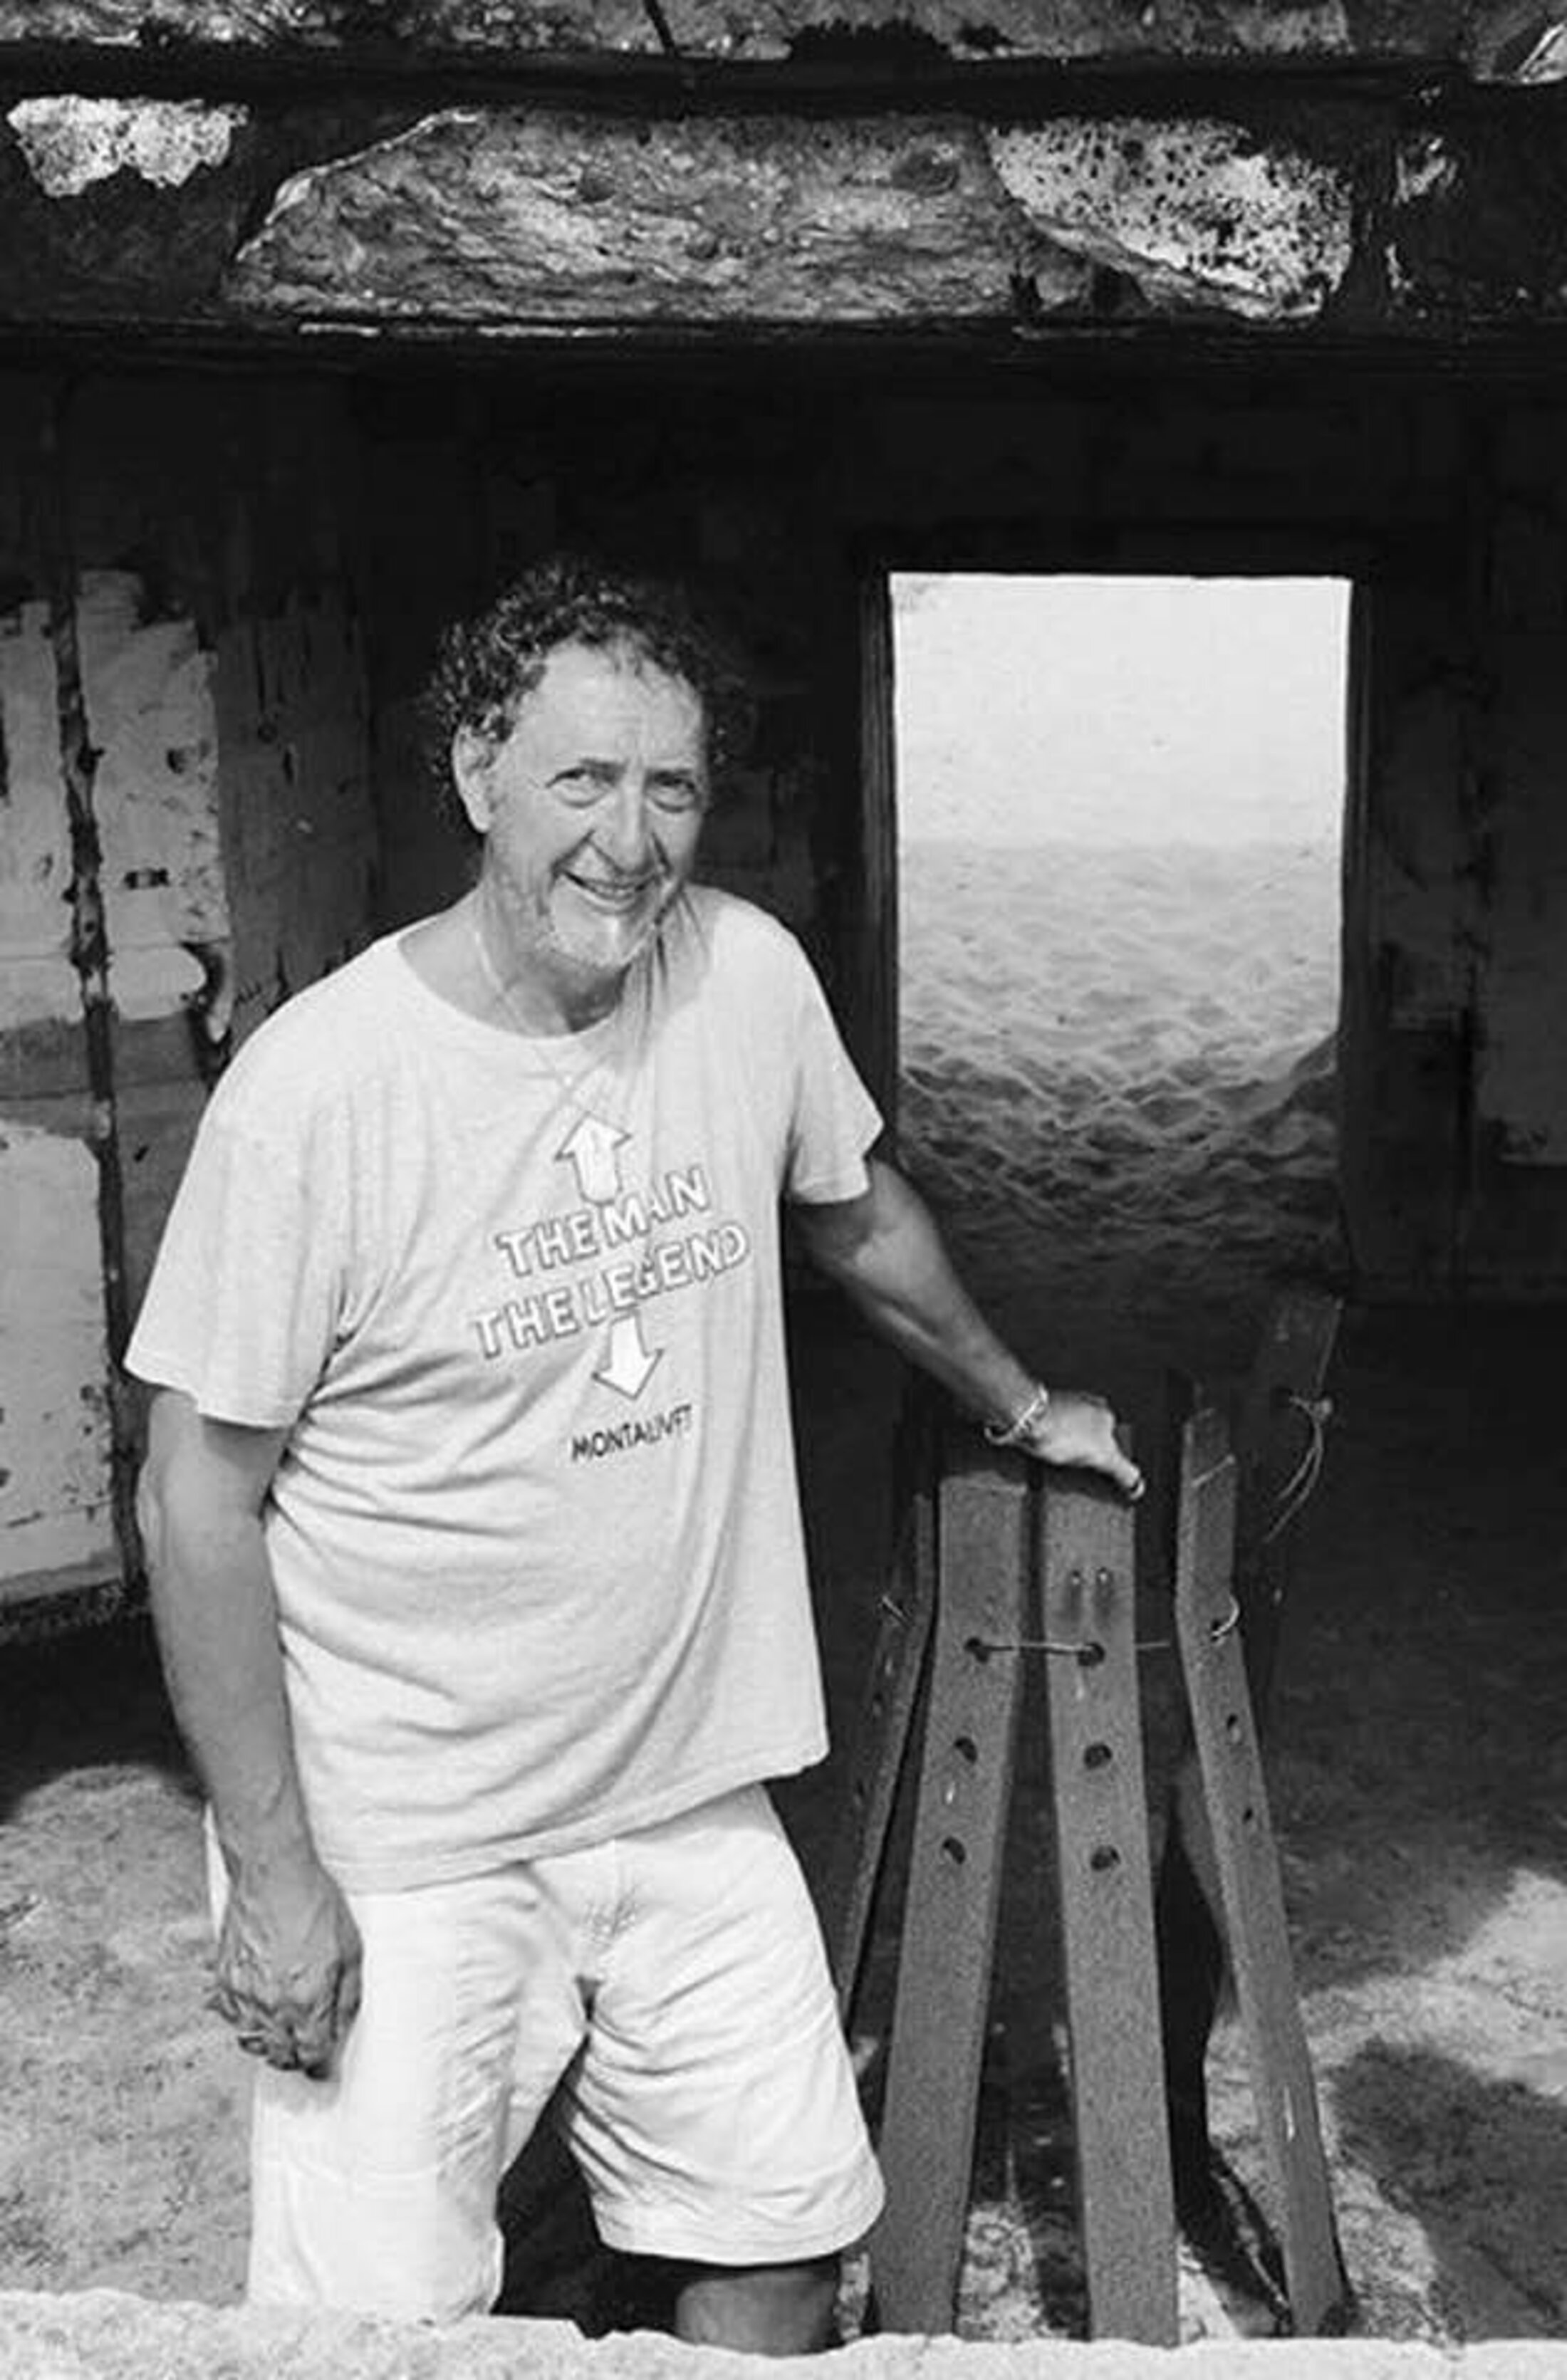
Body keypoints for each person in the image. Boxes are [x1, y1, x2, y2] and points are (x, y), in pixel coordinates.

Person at [129, 555, 1142, 2350]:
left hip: (682, 1787)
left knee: (779, 2241)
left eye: (670, 786)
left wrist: (1016, 1399)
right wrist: (276, 1878)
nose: (629, 840)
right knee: (380, 2336)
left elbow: (853, 1213)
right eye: (581, 780)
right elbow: (195, 1498)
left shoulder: (742, 977)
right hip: (411, 1832)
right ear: (476, 774)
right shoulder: (320, 1092)